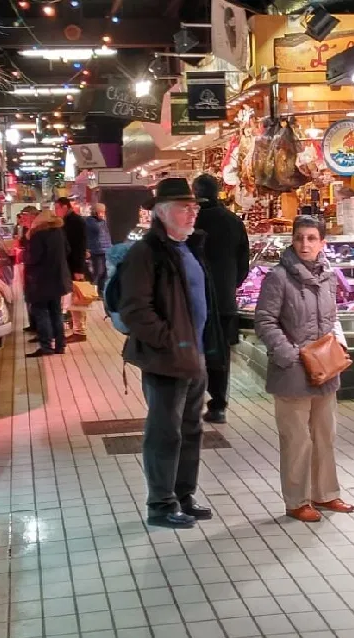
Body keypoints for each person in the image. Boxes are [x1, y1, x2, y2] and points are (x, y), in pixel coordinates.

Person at [118, 179, 226, 529]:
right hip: (167, 360)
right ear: (162, 213)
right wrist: (170, 341)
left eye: (194, 206)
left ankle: (183, 495)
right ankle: (160, 504)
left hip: (194, 357)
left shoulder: (190, 248)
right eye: (185, 207)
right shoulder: (147, 253)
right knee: (164, 432)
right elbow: (135, 309)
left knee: (191, 430)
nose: (193, 212)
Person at [254, 216, 353, 523]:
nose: (305, 244)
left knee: (325, 435)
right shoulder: (278, 277)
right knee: (297, 439)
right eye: (299, 238)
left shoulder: (328, 276)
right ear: (292, 241)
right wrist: (289, 354)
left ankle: (325, 494)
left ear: (322, 243)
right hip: (293, 370)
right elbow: (264, 320)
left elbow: (332, 317)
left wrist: (339, 344)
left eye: (312, 238)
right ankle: (297, 500)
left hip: (325, 368)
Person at [192, 174, 250, 424]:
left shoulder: (188, 219)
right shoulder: (233, 221)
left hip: (192, 301)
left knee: (192, 351)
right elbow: (243, 264)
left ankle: (190, 402)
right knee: (220, 355)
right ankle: (218, 406)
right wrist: (229, 285)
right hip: (224, 301)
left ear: (195, 192)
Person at [22, 209, 71, 358]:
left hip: (41, 280)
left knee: (41, 312)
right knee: (56, 312)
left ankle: (46, 346)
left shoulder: (38, 235)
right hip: (58, 278)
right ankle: (60, 345)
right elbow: (68, 250)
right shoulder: (59, 232)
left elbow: (34, 258)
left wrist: (24, 255)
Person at [54, 197, 88, 341]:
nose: (56, 211)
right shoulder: (66, 221)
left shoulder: (76, 221)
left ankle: (80, 331)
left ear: (65, 207)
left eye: (57, 208)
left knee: (77, 298)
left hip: (75, 267)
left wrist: (79, 269)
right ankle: (76, 327)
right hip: (69, 266)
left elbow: (80, 246)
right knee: (72, 298)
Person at [84, 202, 112, 291]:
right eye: (100, 211)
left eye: (103, 212)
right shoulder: (90, 222)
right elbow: (96, 230)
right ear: (95, 212)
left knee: (105, 273)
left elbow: (106, 234)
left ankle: (101, 290)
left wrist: (110, 246)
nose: (103, 213)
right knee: (98, 272)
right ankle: (92, 290)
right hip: (96, 250)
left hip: (105, 250)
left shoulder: (103, 222)